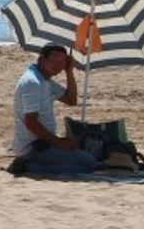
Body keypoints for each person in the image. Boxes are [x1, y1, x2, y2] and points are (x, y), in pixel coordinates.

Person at [9, 44, 98, 176]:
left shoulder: (45, 81)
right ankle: (28, 166)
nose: (58, 66)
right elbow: (31, 122)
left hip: (45, 143)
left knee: (87, 158)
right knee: (88, 163)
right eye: (54, 61)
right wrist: (59, 142)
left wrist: (69, 72)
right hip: (33, 147)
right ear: (41, 60)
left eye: (62, 62)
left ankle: (33, 165)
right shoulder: (32, 83)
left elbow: (71, 100)